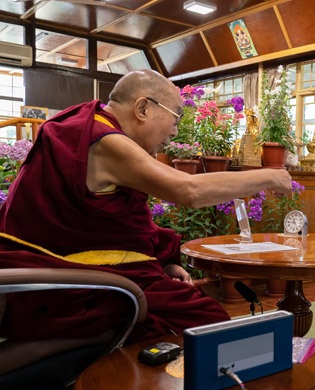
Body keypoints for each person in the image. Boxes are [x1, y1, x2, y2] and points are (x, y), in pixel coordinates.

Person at [0, 70, 293, 345]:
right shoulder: (103, 140)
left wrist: (165, 260)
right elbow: (189, 191)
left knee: (190, 308)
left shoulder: (94, 127)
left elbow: (110, 228)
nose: (175, 131)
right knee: (205, 319)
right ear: (142, 109)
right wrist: (269, 175)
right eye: (175, 118)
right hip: (63, 289)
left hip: (74, 271)